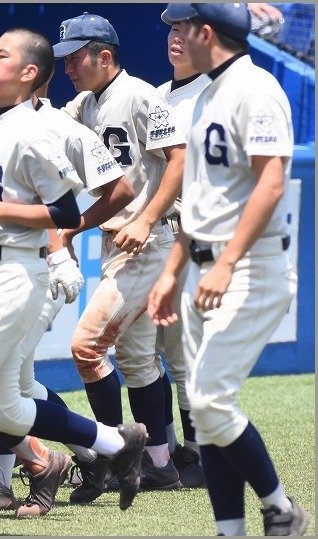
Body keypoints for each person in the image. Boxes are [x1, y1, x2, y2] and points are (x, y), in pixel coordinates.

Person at [0, 27, 148, 536]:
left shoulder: (38, 129)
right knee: (3, 406)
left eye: (0, 55)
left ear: (29, 73)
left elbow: (62, 208)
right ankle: (115, 444)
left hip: (17, 271)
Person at [148, 3, 307, 536]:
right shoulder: (209, 94)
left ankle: (281, 507)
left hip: (249, 269)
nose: (174, 33)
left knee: (211, 402)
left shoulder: (256, 89)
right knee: (204, 412)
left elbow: (270, 182)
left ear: (206, 32)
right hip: (202, 267)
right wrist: (173, 271)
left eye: (182, 26)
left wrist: (227, 263)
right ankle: (230, 529)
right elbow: (200, 197)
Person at [0, 73, 135, 517]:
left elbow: (119, 190)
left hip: (37, 268)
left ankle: (5, 477)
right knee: (15, 387)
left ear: (29, 70)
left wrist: (65, 238)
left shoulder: (60, 127)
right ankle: (104, 448)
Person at [51, 12, 188, 504]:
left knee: (87, 348)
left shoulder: (143, 95)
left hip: (148, 244)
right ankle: (160, 465)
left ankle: (111, 457)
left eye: (75, 58)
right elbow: (45, 121)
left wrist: (147, 218)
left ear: (104, 56)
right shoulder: (86, 101)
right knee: (136, 362)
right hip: (119, 242)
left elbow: (180, 158)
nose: (67, 66)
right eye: (62, 59)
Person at [155, 3, 213, 489]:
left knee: (186, 352)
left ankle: (200, 453)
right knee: (145, 350)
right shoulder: (156, 95)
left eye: (187, 28)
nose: (177, 37)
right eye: (172, 28)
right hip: (153, 239)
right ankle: (168, 451)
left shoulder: (216, 95)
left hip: (192, 236)